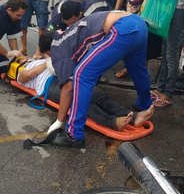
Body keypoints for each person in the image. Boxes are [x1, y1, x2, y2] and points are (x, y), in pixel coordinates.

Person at [48, 11, 152, 147]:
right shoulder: (70, 34)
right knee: (137, 69)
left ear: (47, 51)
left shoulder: (58, 49)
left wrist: (59, 121)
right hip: (138, 24)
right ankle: (144, 105)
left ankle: (73, 134)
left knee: (81, 75)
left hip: (122, 28)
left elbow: (68, 87)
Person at [16, 32, 154, 132]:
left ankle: (134, 116)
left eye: (22, 56)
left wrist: (46, 58)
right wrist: (45, 63)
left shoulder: (43, 58)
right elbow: (25, 76)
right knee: (80, 101)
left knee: (97, 94)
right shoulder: (24, 68)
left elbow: (50, 51)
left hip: (62, 76)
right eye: (19, 58)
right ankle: (113, 122)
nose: (22, 57)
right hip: (48, 84)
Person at [0, 0, 27, 73]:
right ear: (9, 10)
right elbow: (7, 53)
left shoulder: (14, 17)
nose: (20, 18)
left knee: (5, 66)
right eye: (18, 15)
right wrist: (7, 53)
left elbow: (12, 38)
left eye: (22, 15)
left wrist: (17, 56)